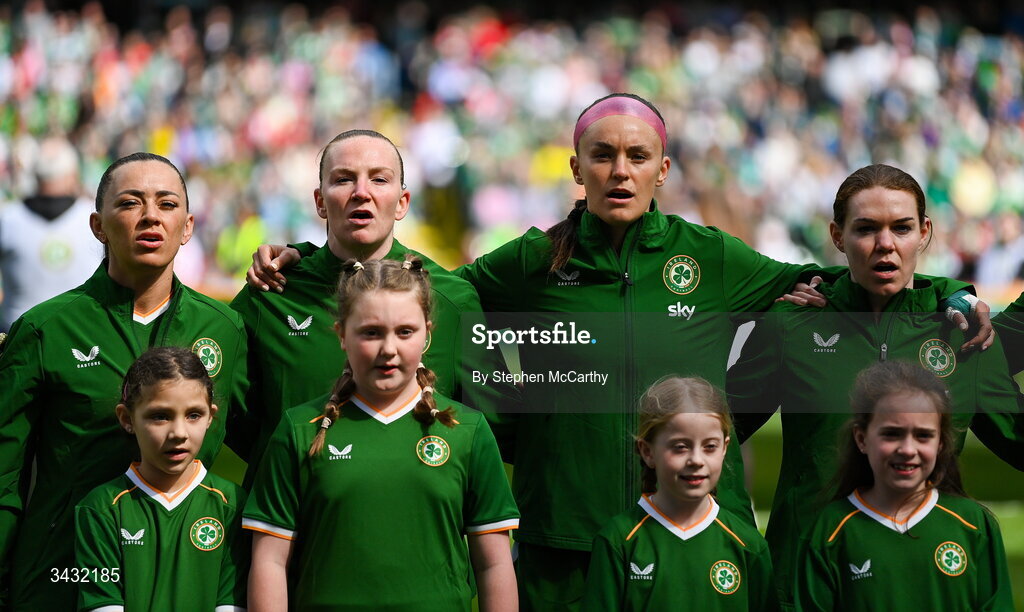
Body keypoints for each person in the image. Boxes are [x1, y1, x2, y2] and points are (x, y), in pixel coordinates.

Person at [245, 94, 986, 611]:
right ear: (577, 169)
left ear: (663, 170)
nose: (620, 171)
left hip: (697, 532)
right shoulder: (531, 262)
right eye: (602, 156)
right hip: (565, 542)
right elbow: (420, 287)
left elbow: (849, 272)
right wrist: (308, 261)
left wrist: (952, 292)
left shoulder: (711, 257)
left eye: (638, 157)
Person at [727, 163, 1024, 609]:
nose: (885, 244)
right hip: (804, 589)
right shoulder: (791, 325)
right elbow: (717, 434)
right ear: (836, 235)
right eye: (866, 228)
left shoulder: (963, 334)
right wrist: (737, 533)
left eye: (901, 228)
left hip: (924, 581)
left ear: (924, 232)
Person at [0, 152, 248, 610]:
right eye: (131, 203)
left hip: (185, 580)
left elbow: (272, 444)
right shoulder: (44, 329)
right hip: (64, 576)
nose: (151, 216)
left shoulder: (225, 329)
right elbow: (4, 476)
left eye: (167, 204)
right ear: (97, 226)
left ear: (189, 226)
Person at [230, 129, 511, 477]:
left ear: (403, 202)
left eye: (379, 179)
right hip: (294, 521)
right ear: (320, 201)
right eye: (344, 179)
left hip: (410, 516)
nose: (361, 193)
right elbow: (228, 418)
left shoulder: (451, 300)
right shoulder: (271, 292)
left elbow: (487, 428)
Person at [244, 257, 518, 611]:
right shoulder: (299, 429)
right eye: (371, 332)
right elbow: (270, 562)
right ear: (342, 334)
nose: (389, 349)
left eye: (405, 331)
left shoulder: (467, 430)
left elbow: (494, 563)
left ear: (428, 334)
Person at [795, 361, 1014, 610]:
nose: (908, 450)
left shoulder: (974, 524)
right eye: (891, 434)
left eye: (923, 435)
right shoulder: (829, 531)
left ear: (941, 443)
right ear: (862, 438)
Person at [75, 347, 248, 611]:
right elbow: (102, 603)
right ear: (127, 418)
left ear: (211, 416)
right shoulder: (100, 508)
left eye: (193, 415)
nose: (179, 432)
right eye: (160, 416)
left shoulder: (232, 504)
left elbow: (231, 604)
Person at [582, 377, 777, 611]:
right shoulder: (617, 540)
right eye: (680, 447)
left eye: (710, 447)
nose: (696, 460)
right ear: (647, 451)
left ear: (725, 448)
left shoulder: (749, 544)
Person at [0, 136, 101, 331]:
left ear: (35, 175)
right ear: (73, 174)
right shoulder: (94, 218)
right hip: (80, 336)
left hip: (18, 339)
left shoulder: (8, 218)